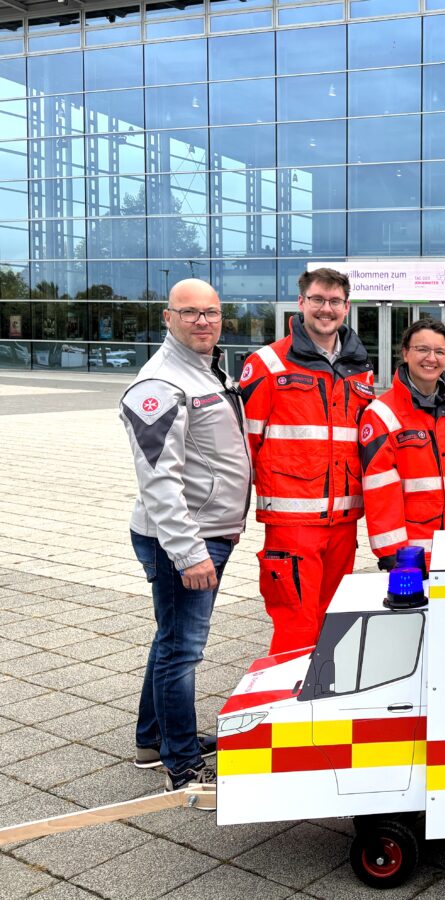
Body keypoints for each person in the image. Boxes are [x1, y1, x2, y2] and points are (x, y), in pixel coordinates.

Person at [120, 279, 251, 791]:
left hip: (207, 531)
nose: (204, 322)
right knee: (182, 650)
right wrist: (189, 552)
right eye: (191, 312)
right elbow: (158, 481)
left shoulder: (206, 369)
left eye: (212, 313)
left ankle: (152, 740)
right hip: (184, 539)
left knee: (170, 640)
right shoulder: (158, 385)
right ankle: (181, 763)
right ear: (167, 317)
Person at [239, 267, 374, 654]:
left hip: (344, 522)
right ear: (301, 303)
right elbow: (245, 447)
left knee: (334, 624)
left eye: (334, 302)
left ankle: (323, 704)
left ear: (346, 308)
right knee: (297, 630)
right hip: (292, 524)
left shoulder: (358, 367)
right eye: (317, 300)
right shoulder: (268, 364)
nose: (325, 309)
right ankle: (286, 707)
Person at [360, 319, 445, 569]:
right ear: (406, 352)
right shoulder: (381, 414)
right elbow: (380, 492)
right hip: (413, 554)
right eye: (422, 349)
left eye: (439, 352)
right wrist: (392, 554)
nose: (431, 358)